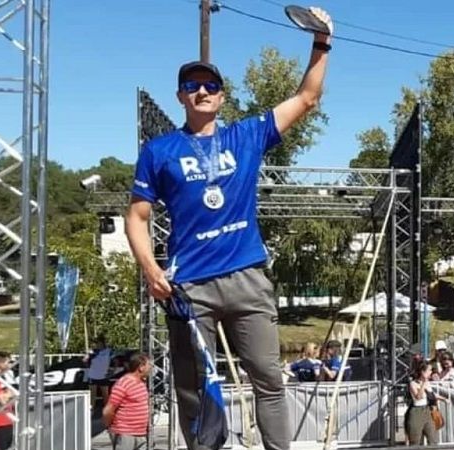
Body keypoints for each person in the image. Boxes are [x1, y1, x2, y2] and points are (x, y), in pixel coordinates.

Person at [124, 8, 333, 450]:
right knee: (193, 390)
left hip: (247, 277)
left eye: (210, 85)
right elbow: (136, 216)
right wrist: (149, 268)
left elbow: (307, 98)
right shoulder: (159, 151)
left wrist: (321, 43)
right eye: (191, 85)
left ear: (222, 96)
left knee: (268, 378)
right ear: (181, 96)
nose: (201, 91)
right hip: (190, 286)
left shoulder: (247, 136)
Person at [103, 353, 151, 450]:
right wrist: (111, 427)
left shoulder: (141, 383)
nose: (151, 368)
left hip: (140, 433)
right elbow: (108, 410)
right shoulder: (123, 383)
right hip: (125, 434)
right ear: (141, 367)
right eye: (149, 365)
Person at [407, 361, 447, 446]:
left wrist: (444, 399)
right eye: (429, 370)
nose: (431, 372)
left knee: (433, 438)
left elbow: (431, 394)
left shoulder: (428, 383)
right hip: (416, 412)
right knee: (416, 440)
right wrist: (423, 383)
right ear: (422, 371)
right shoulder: (413, 383)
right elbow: (418, 397)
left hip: (428, 411)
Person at [85, 334, 113, 407]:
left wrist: (112, 371)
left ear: (103, 343)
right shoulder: (93, 351)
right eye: (96, 343)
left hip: (104, 376)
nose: (97, 345)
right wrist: (89, 355)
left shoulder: (109, 351)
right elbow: (84, 360)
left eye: (98, 343)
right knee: (92, 397)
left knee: (106, 397)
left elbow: (116, 361)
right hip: (92, 376)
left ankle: (107, 414)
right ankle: (91, 413)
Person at [0, 352, 14, 450]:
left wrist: (8, 394)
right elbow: (2, 400)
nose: (11, 365)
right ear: (0, 363)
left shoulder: (3, 378)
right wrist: (9, 395)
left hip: (6, 421)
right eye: (9, 362)